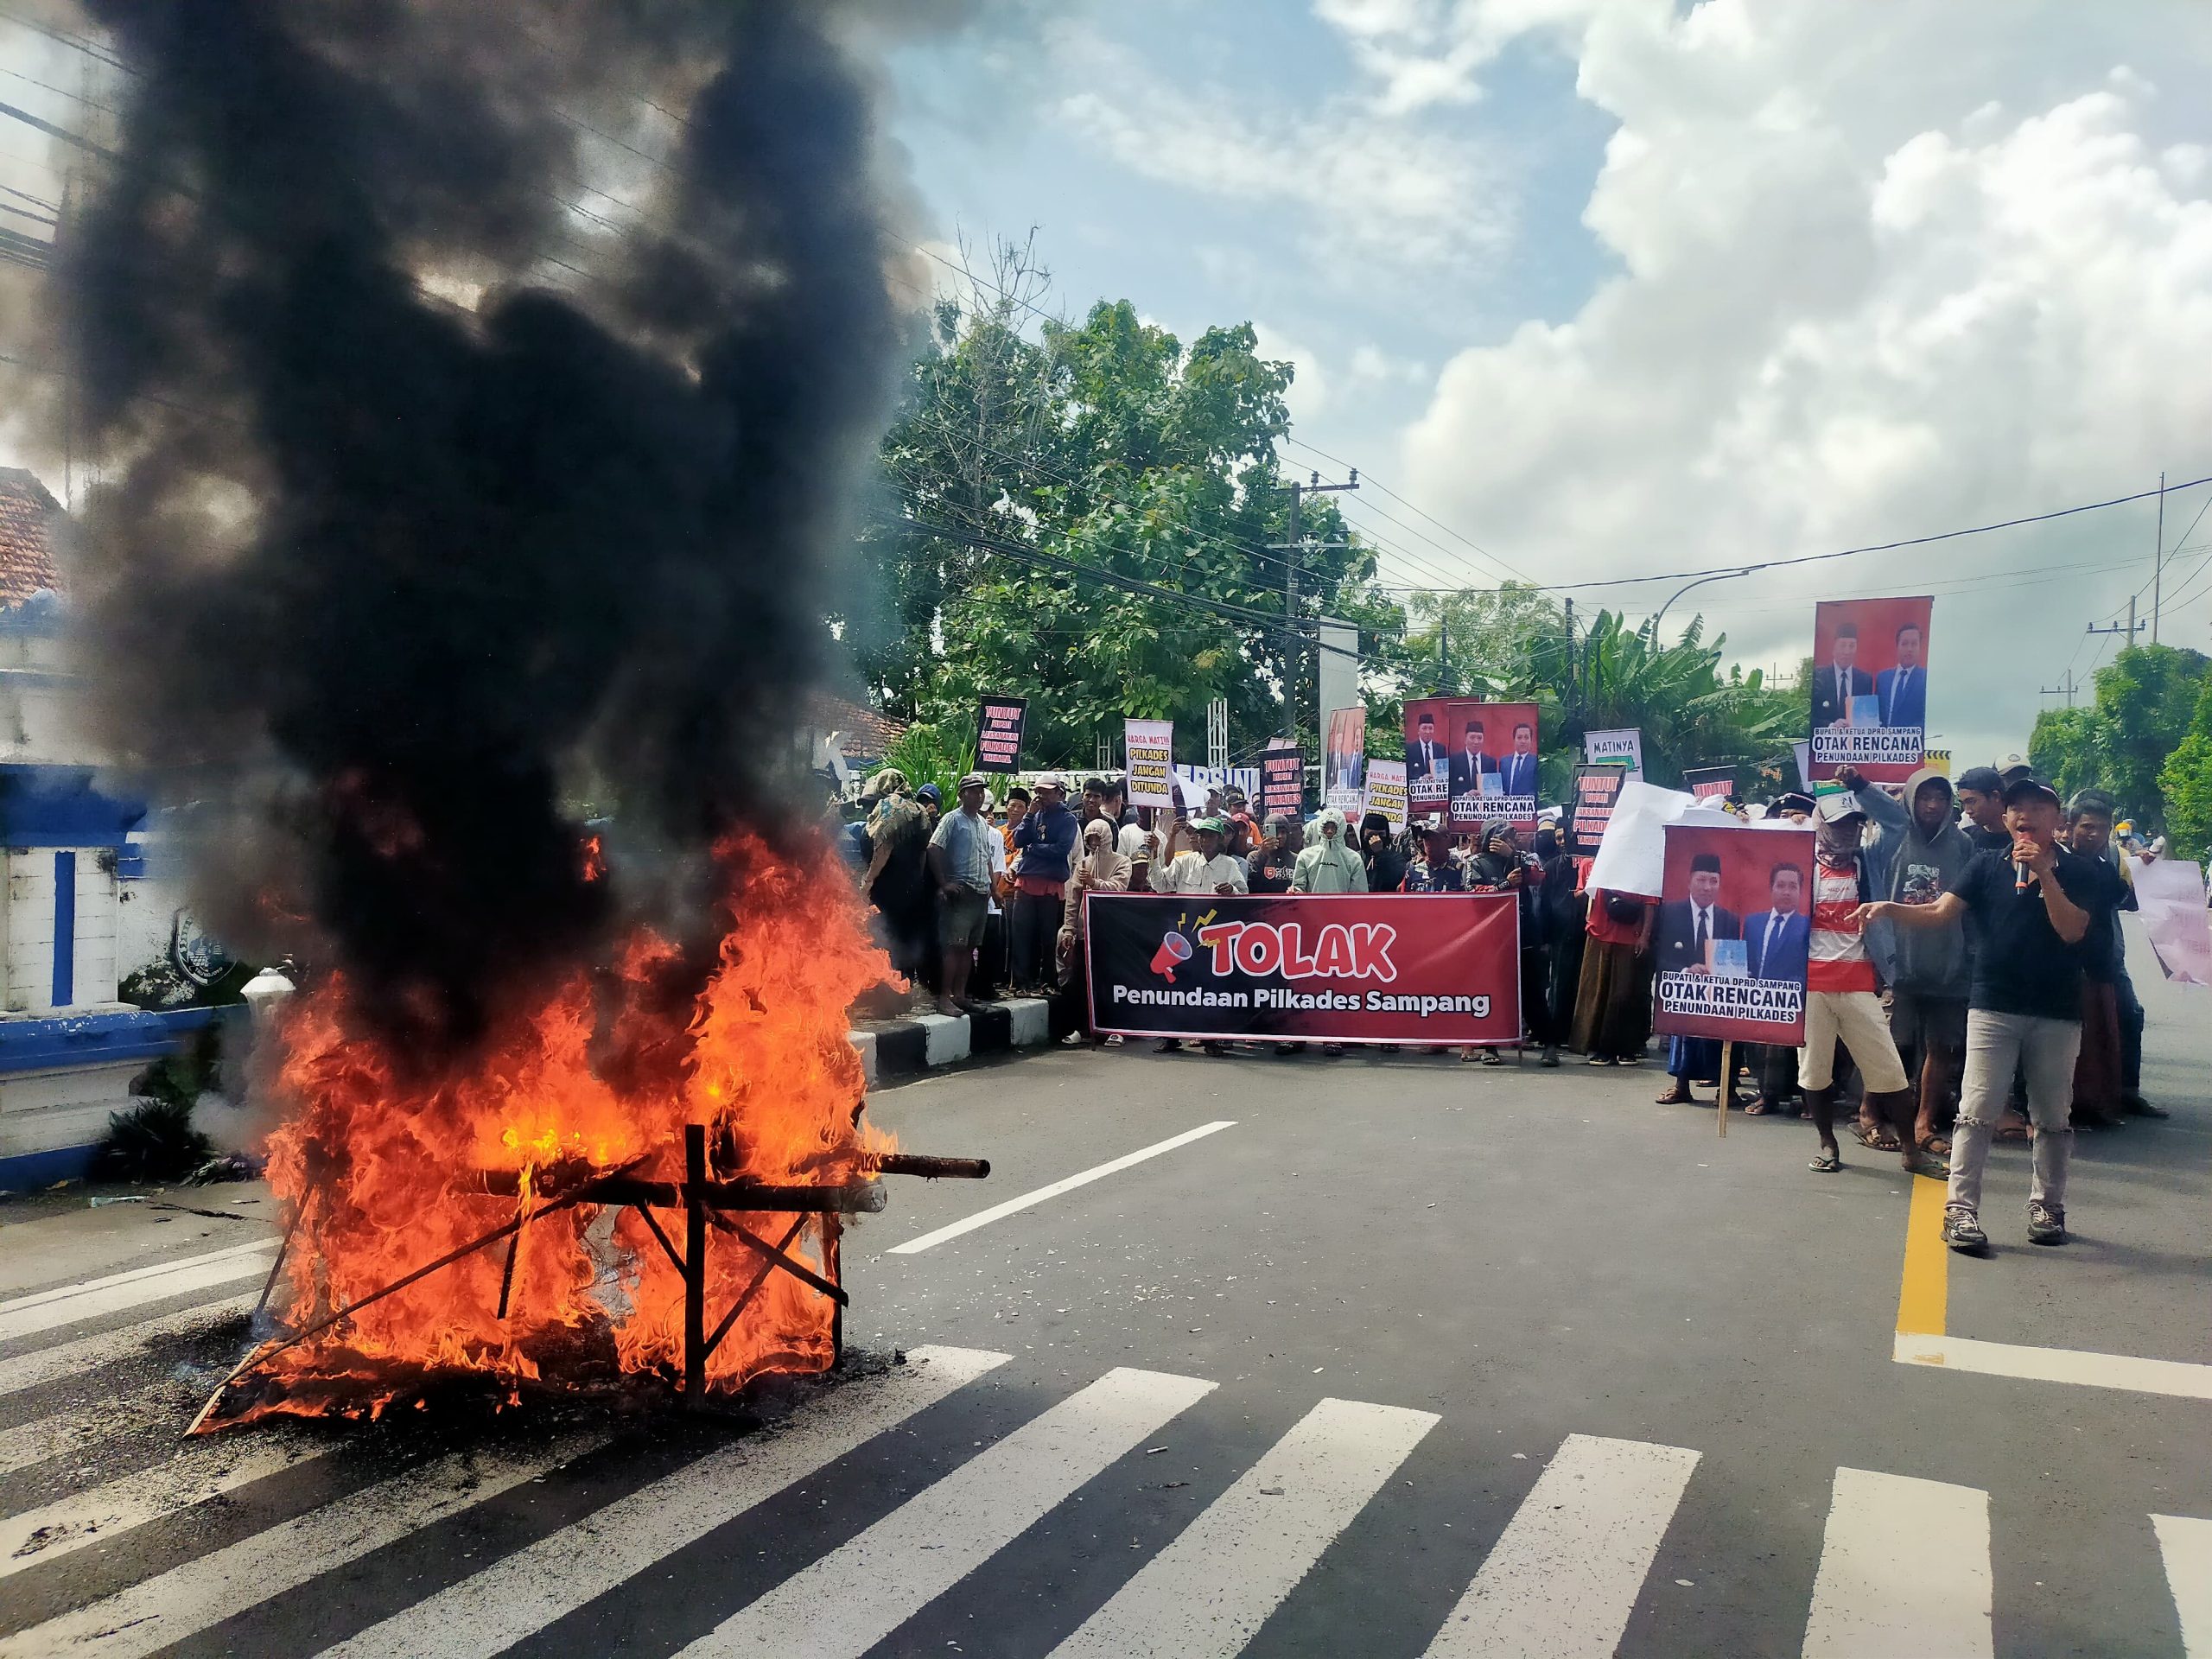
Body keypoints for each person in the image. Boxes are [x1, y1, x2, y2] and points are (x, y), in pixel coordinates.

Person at [1864, 777, 2126, 1252]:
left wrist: (2046, 873)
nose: (2026, 816)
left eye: (2038, 808)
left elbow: (2072, 932)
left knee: (2051, 1115)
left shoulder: (2083, 873)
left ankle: (2047, 1205)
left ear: (2057, 821)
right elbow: (1942, 912)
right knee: (1976, 1109)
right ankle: (1960, 1210)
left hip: (2056, 1010)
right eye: (2017, 807)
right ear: (2005, 818)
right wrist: (1890, 909)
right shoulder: (1985, 865)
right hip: (1992, 1004)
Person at [1797, 791, 1942, 1178]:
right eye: (1839, 823)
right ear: (1821, 825)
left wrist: (1861, 786)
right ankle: (1828, 1143)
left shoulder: (1870, 861)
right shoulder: (1798, 861)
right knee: (1814, 1072)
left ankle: (1911, 1151)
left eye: (1854, 823)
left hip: (1860, 983)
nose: (1849, 830)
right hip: (1810, 986)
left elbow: (1897, 822)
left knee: (1889, 1071)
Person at [1855, 766, 1974, 1154]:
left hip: (1948, 965)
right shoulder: (1896, 836)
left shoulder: (1962, 845)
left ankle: (1923, 1123)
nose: (1933, 805)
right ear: (1911, 800)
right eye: (1925, 797)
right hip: (1900, 963)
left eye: (1941, 798)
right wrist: (1858, 783)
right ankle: (1869, 1112)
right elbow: (1883, 809)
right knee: (1892, 1044)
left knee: (1940, 1049)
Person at [2063, 791, 2150, 1128]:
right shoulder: (2058, 859)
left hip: (2104, 959)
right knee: (2074, 1034)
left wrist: (2144, 869)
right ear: (2070, 826)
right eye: (2086, 827)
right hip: (2068, 961)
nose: (2093, 834)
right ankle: (2072, 1105)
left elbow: (2126, 900)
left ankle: (2118, 1095)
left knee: (2117, 1022)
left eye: (2101, 828)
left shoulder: (2111, 860)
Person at [1147, 816, 1244, 1055]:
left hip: (1213, 939)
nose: (1205, 839)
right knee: (1176, 988)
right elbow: (1160, 884)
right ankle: (1170, 1037)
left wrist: (1231, 890)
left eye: (1210, 835)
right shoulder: (1184, 861)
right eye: (1201, 835)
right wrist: (1154, 854)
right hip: (1182, 935)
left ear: (1220, 839)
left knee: (1208, 990)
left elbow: (1245, 894)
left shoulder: (1229, 865)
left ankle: (1209, 1038)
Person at [1653, 852, 1740, 1105]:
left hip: (1718, 992)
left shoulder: (1729, 919)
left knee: (1731, 1021)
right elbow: (1659, 956)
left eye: (1713, 881)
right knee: (1683, 1024)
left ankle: (1727, 1088)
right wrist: (1686, 971)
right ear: (1689, 880)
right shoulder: (1671, 912)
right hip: (1683, 989)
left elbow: (1734, 959)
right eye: (1701, 880)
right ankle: (1681, 1086)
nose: (1707, 887)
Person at [1471, 821, 1549, 1065]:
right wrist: (1504, 885)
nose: (1510, 839)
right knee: (1492, 992)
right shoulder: (1477, 862)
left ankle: (1549, 1044)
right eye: (1505, 836)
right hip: (1492, 939)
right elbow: (1472, 893)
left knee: (1533, 993)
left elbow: (1539, 877)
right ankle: (1490, 1046)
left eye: (1512, 836)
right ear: (1490, 838)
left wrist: (1514, 856)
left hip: (1524, 935)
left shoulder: (1521, 858)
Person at [1741, 860, 1812, 1115]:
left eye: (1792, 886)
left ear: (1800, 892)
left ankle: (1805, 1100)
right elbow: (1747, 960)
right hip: (1757, 999)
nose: (1785, 891)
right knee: (1759, 1049)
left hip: (1794, 999)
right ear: (1771, 889)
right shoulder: (1754, 922)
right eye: (1780, 885)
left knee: (1798, 1052)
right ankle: (1766, 1095)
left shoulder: (1808, 926)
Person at [861, 768, 935, 1007]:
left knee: (886, 939)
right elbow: (924, 851)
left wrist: (869, 879)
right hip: (912, 887)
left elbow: (884, 846)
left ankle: (888, 998)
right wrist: (917, 880)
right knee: (907, 940)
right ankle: (905, 993)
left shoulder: (889, 807)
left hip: (888, 888)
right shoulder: (919, 811)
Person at [1055, 817, 1131, 1045]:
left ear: (1107, 837)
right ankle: (1082, 1028)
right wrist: (1069, 929)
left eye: (1098, 837)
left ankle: (1115, 1028)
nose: (1094, 842)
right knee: (1080, 982)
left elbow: (1119, 888)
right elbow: (1072, 898)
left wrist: (1095, 882)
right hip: (1084, 932)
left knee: (1110, 981)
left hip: (1111, 932)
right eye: (1090, 838)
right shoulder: (1083, 864)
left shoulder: (1122, 861)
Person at [925, 772, 995, 1016]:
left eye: (980, 791)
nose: (978, 795)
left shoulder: (981, 823)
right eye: (973, 791)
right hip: (961, 892)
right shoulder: (952, 820)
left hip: (979, 893)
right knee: (955, 946)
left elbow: (986, 857)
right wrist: (944, 883)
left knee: (969, 949)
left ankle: (961, 995)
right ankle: (945, 998)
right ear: (961, 794)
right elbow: (934, 849)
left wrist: (993, 890)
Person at [1010, 773, 1077, 997]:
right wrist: (1028, 815)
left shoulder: (1068, 819)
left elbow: (1061, 849)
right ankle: (1021, 984)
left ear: (1059, 793)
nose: (1042, 796)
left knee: (1047, 937)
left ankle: (1047, 982)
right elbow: (1018, 841)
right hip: (1026, 882)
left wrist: (1033, 848)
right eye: (1038, 791)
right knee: (1021, 935)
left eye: (1047, 792)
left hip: (1050, 884)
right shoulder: (1034, 815)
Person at [1572, 887, 1652, 1065]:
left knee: (1624, 995)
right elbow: (1580, 896)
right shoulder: (1591, 864)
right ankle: (1600, 1048)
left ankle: (1625, 1048)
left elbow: (1650, 902)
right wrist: (1589, 884)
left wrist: (1645, 936)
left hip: (1630, 937)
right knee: (1596, 993)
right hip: (1598, 935)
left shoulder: (1641, 866)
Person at [1811, 621, 1875, 728]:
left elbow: (1866, 717)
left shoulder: (1865, 680)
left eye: (1852, 646)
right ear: (1833, 648)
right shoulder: (1819, 677)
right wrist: (1831, 726)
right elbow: (1810, 716)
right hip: (1826, 741)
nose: (1847, 651)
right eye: (1842, 645)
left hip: (1855, 741)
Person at [1293, 807, 1369, 893]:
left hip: (1343, 907)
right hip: (1313, 907)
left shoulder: (1354, 859)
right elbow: (1298, 888)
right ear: (1320, 827)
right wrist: (1296, 892)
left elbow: (1358, 895)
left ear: (1341, 827)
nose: (1329, 831)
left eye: (1333, 827)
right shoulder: (1305, 856)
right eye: (1326, 827)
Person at [1878, 622, 1927, 728]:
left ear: (1920, 647)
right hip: (1883, 743)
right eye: (1904, 644)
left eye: (1914, 644)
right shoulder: (1882, 678)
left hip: (1911, 743)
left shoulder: (1926, 679)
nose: (1909, 649)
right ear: (1897, 646)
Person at [1955, 766, 2011, 853]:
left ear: (1995, 796)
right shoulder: (1966, 840)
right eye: (1963, 803)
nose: (1967, 810)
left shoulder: (2023, 837)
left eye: (1972, 802)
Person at [1447, 719, 1500, 800]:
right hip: (1460, 809)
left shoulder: (1490, 762)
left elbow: (1492, 791)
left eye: (1479, 738)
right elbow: (1448, 789)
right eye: (1472, 737)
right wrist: (1465, 795)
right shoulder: (1453, 760)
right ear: (1465, 739)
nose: (1476, 742)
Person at [1248, 814, 1300, 894]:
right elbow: (1250, 886)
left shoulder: (1297, 859)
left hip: (1289, 905)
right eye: (1275, 832)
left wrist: (1297, 890)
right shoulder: (1253, 856)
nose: (1280, 836)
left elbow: (1302, 885)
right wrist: (1262, 855)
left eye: (1283, 832)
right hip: (1264, 905)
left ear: (1288, 834)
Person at [1360, 811, 1407, 894]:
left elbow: (1397, 878)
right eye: (1371, 834)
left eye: (1380, 834)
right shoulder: (1356, 858)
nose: (1376, 839)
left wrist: (1380, 853)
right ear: (1363, 834)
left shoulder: (1396, 859)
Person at [1498, 721, 1541, 799]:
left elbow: (1536, 789)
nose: (1523, 741)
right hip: (1505, 808)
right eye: (1519, 737)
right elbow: (1499, 787)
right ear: (1514, 739)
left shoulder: (1536, 762)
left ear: (1531, 740)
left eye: (1526, 737)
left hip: (1527, 808)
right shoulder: (1504, 762)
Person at [1405, 711, 1445, 783]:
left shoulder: (1440, 749)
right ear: (1418, 730)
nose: (1427, 732)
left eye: (1430, 728)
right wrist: (1421, 779)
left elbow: (1442, 774)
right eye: (1424, 728)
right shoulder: (1410, 749)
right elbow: (1407, 773)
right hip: (1416, 790)